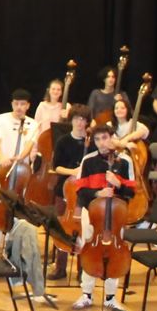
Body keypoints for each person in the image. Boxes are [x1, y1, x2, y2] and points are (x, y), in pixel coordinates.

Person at [72, 123, 137, 311]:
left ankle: (110, 297)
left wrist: (119, 185)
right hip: (92, 214)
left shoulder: (124, 161)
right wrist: (98, 192)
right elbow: (81, 191)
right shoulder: (88, 161)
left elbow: (132, 192)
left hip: (116, 217)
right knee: (89, 249)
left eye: (105, 138)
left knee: (114, 252)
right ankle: (87, 294)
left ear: (112, 137)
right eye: (98, 139)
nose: (102, 143)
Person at [0, 88, 37, 257]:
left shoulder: (33, 123)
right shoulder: (2, 118)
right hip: (3, 169)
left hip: (21, 171)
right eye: (16, 104)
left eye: (23, 104)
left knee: (16, 209)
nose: (19, 107)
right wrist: (2, 158)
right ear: (12, 104)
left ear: (28, 106)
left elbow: (30, 143)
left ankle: (10, 247)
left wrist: (20, 157)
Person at [46, 105, 92, 280]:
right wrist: (74, 172)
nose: (80, 123)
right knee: (61, 228)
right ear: (71, 120)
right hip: (63, 189)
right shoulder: (63, 141)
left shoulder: (91, 142)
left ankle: (82, 269)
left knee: (83, 229)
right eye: (77, 119)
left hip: (84, 192)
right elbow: (56, 166)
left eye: (83, 120)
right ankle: (60, 267)